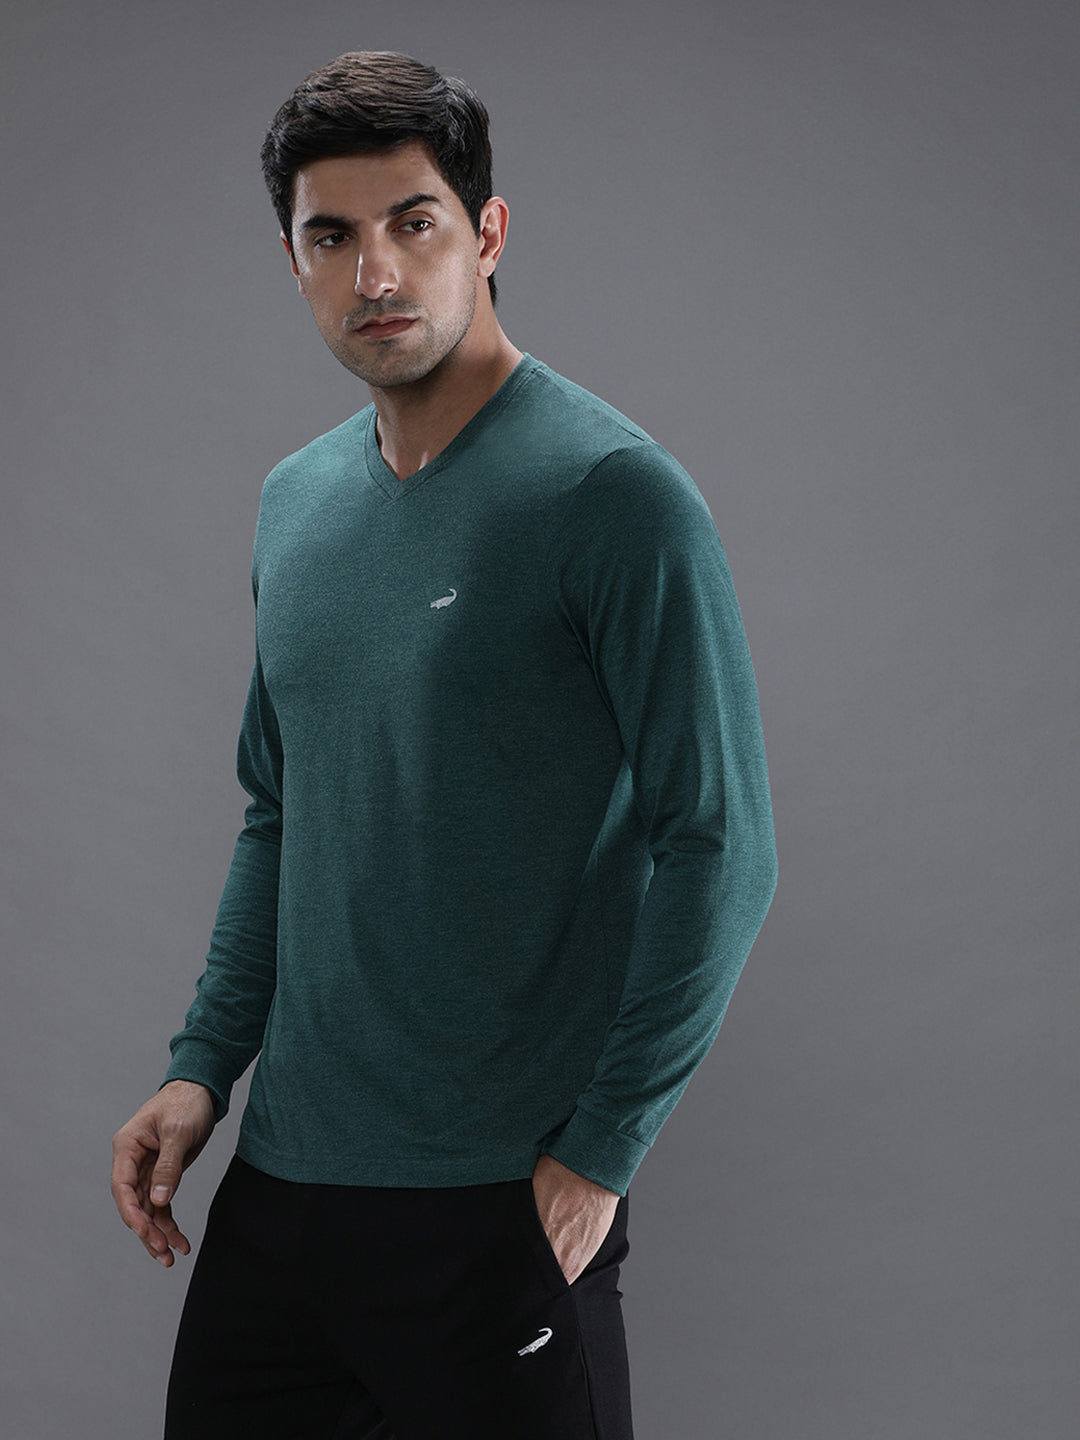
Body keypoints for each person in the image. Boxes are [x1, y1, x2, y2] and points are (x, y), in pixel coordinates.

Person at [110, 50, 777, 1440]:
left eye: (414, 223)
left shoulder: (612, 496)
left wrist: (602, 1153)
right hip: (284, 1196)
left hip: (498, 1203)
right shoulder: (295, 503)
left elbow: (722, 843)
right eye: (331, 237)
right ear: (291, 259)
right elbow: (279, 813)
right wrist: (200, 1067)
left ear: (488, 232)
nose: (375, 274)